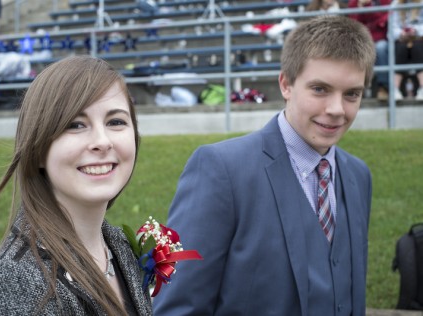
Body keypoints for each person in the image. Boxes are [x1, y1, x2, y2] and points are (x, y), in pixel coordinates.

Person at [153, 15, 374, 315]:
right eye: (320, 89)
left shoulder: (358, 176)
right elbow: (178, 307)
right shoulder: (220, 170)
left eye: (352, 94)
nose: (336, 109)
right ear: (286, 84)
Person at [0, 56, 152, 315]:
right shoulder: (18, 284)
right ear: (39, 146)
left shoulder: (119, 247)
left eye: (116, 122)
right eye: (76, 125)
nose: (102, 141)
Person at [348, 0, 392, 101]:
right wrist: (360, 8)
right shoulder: (354, 2)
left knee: (381, 48)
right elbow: (354, 24)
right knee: (354, 50)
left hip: (380, 39)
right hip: (361, 39)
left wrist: (368, 8)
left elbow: (384, 21)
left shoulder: (385, 1)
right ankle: (356, 88)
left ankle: (383, 87)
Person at [391, 0, 423, 100]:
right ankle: (395, 90)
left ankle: (422, 88)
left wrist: (416, 31)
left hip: (419, 39)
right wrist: (402, 33)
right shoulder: (395, 4)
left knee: (418, 48)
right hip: (401, 40)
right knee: (401, 48)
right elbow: (392, 29)